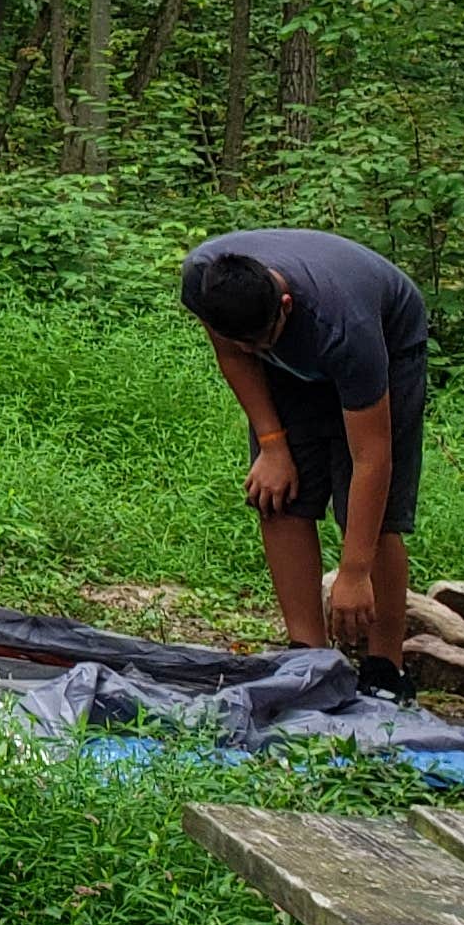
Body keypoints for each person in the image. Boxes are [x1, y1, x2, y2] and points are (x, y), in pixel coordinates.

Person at [179, 228, 427, 692]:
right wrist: (273, 444)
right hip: (295, 357)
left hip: (387, 345)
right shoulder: (204, 280)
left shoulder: (343, 327)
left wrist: (352, 574)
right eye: (246, 344)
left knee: (376, 517)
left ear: (285, 306)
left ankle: (385, 668)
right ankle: (306, 656)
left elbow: (372, 457)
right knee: (277, 493)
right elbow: (232, 352)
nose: (255, 352)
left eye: (262, 340)